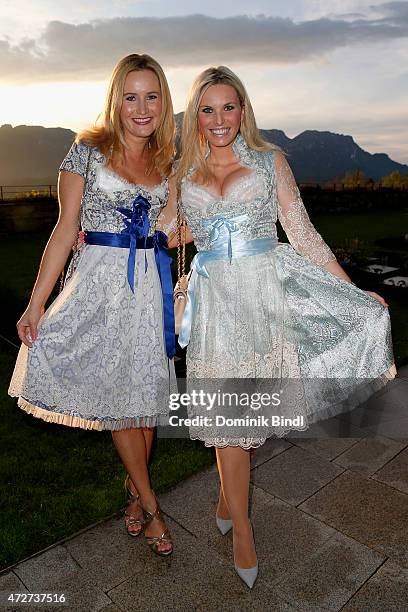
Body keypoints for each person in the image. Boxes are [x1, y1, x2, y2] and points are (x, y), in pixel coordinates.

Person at [168, 65, 396, 586]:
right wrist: (110, 234)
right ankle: (242, 528)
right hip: (214, 310)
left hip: (264, 303)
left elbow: (304, 234)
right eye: (207, 109)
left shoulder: (270, 163)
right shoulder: (183, 173)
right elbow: (170, 231)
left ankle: (227, 498)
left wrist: (352, 289)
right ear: (195, 117)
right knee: (230, 421)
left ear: (243, 110)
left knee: (243, 424)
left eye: (228, 107)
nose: (218, 119)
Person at [8, 54, 176, 556]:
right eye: (131, 96)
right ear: (115, 100)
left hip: (150, 291)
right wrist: (35, 305)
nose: (141, 108)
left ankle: (131, 491)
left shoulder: (169, 158)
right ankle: (152, 507)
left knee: (143, 406)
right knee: (123, 408)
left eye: (151, 96)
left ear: (162, 101)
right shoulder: (85, 149)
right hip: (99, 289)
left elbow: (174, 229)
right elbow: (64, 230)